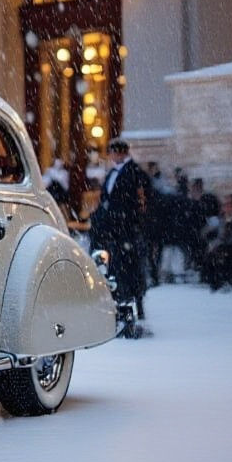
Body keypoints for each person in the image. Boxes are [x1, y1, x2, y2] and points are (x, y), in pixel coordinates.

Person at [89, 138, 150, 323]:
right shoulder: (112, 172)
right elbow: (107, 197)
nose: (111, 156)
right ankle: (114, 296)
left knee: (128, 265)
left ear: (121, 152)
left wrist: (125, 219)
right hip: (111, 226)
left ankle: (130, 300)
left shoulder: (134, 172)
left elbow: (135, 201)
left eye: (113, 152)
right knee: (111, 262)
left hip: (125, 227)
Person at [202, 193, 232, 291]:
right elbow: (217, 236)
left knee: (223, 252)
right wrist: (213, 243)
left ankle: (227, 278)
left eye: (227, 204)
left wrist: (220, 244)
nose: (224, 207)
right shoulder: (222, 220)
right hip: (223, 248)